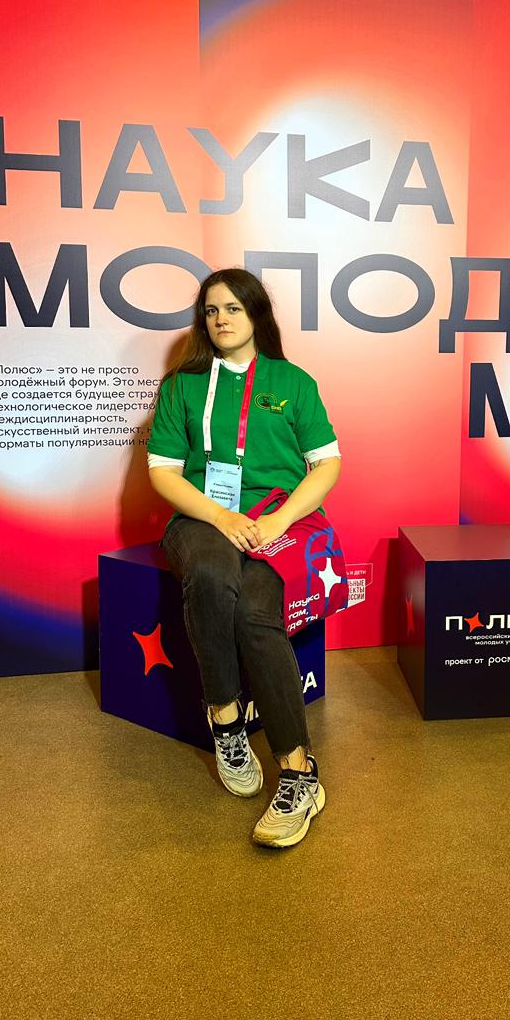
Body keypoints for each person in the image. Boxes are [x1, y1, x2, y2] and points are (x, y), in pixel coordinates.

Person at [147, 268, 341, 849]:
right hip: (203, 518)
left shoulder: (292, 381)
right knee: (211, 574)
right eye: (211, 310)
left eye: (233, 307)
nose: (221, 319)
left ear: (256, 314)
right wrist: (221, 517)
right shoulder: (182, 384)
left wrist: (278, 521)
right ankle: (226, 718)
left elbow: (326, 463)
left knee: (257, 615)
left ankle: (299, 773)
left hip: (279, 520)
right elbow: (163, 472)